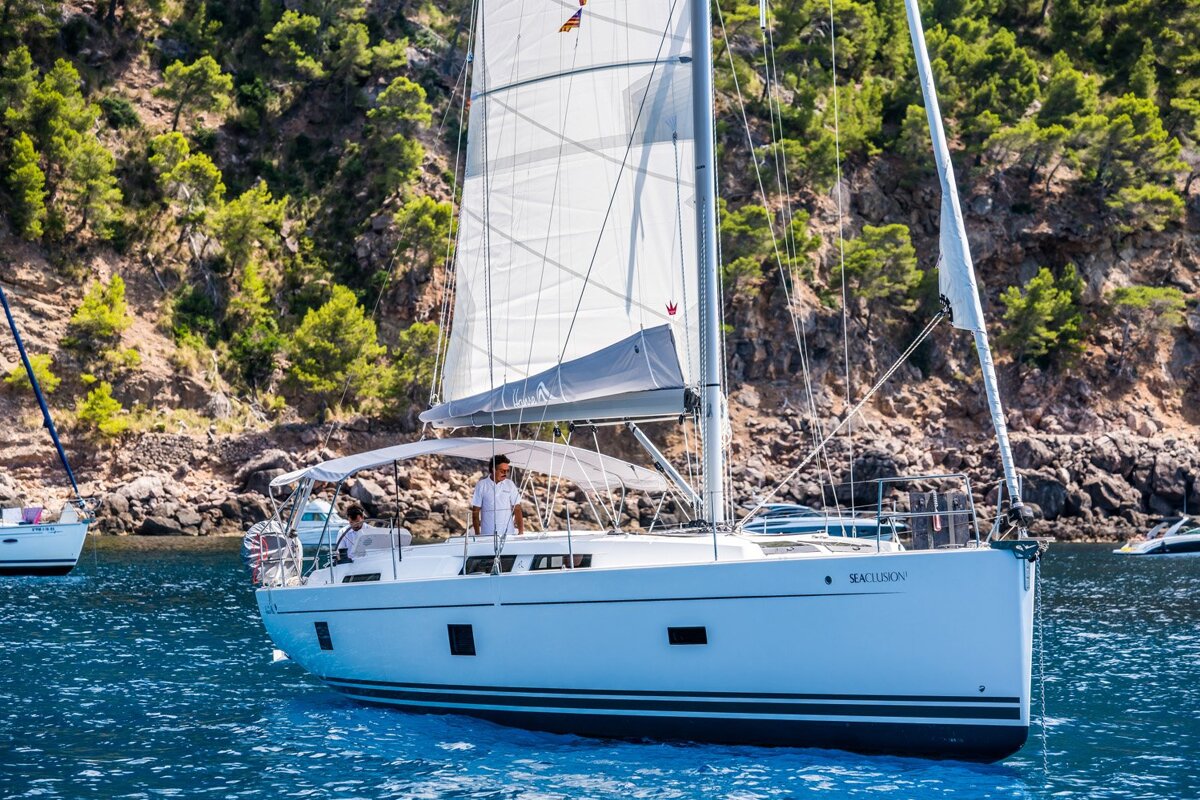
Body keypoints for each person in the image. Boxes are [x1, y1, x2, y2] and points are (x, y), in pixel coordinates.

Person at [471, 455, 524, 538]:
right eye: (503, 471)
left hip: (508, 535)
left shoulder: (510, 484)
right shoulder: (481, 485)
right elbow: (475, 511)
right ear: (493, 469)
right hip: (487, 535)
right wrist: (477, 535)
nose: (505, 473)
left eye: (507, 471)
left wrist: (521, 533)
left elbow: (517, 509)